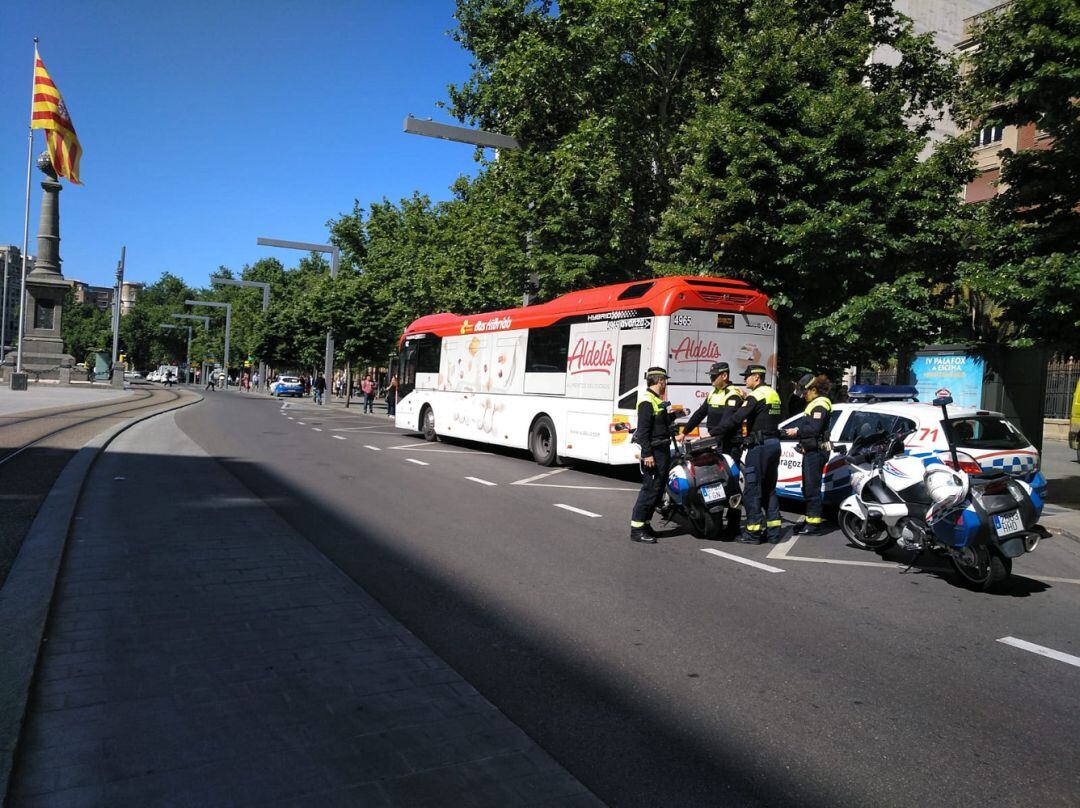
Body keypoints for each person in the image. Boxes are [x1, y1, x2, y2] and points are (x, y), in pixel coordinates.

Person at [680, 361, 745, 538]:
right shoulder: (713, 393)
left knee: (732, 483)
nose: (711, 379)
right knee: (710, 477)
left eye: (714, 376)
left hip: (729, 444)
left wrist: (715, 438)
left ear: (724, 376)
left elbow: (727, 421)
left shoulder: (734, 394)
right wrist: (684, 432)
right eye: (710, 376)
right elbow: (700, 413)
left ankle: (733, 525)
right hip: (715, 442)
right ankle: (711, 513)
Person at [630, 367, 686, 544]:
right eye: (664, 381)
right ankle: (637, 529)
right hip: (654, 451)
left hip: (662, 450)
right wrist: (647, 454)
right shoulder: (647, 401)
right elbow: (644, 432)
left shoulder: (656, 400)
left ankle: (645, 524)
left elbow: (660, 424)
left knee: (657, 491)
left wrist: (676, 415)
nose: (665, 384)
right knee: (649, 490)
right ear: (659, 381)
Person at [730, 363, 783, 544]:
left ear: (757, 378)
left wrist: (716, 432)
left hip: (759, 447)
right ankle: (774, 533)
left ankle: (753, 533)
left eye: (747, 376)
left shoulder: (756, 395)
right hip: (773, 444)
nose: (745, 379)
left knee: (752, 490)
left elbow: (738, 417)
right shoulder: (772, 394)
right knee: (769, 489)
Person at [783, 374, 833, 535]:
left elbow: (813, 429)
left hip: (816, 451)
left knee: (812, 488)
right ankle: (809, 519)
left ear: (814, 390)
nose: (804, 395)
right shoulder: (813, 404)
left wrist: (796, 431)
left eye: (805, 392)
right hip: (811, 450)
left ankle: (813, 525)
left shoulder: (820, 404)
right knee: (808, 487)